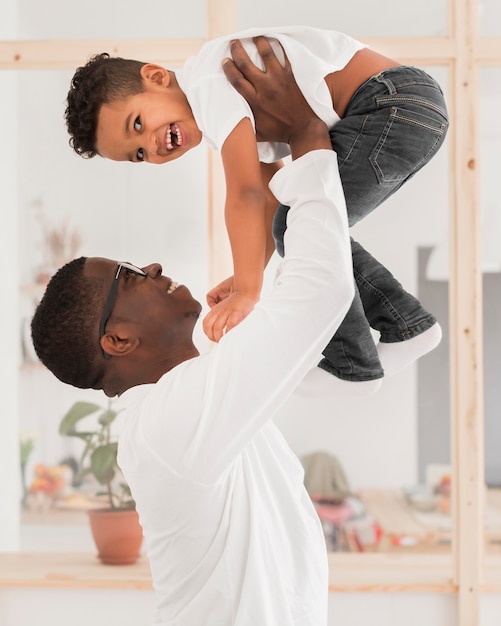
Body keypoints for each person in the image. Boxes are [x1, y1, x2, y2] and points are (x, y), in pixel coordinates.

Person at [32, 40, 354, 626]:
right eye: (131, 275)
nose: (152, 268)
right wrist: (307, 130)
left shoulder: (186, 392)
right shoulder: (168, 423)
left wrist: (261, 257)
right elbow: (319, 292)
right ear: (118, 340)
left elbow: (296, 295)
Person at [65, 26, 448, 391]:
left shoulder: (208, 83)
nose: (152, 145)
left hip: (388, 103)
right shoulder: (222, 107)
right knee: (305, 224)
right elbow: (269, 197)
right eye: (139, 155)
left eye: (138, 123)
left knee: (304, 226)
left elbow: (245, 193)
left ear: (156, 77)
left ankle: (353, 363)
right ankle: (404, 325)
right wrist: (249, 273)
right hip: (406, 107)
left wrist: (247, 293)